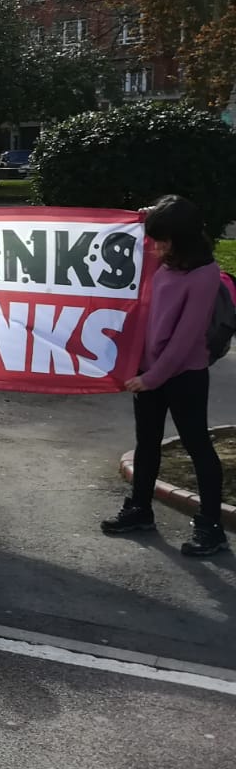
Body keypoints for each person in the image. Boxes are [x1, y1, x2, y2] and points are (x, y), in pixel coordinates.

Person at [101, 195, 228, 557]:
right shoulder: (163, 260)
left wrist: (153, 378)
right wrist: (145, 219)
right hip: (149, 371)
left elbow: (186, 337)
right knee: (147, 442)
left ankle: (211, 526)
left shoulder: (204, 274)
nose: (155, 247)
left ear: (182, 240)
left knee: (196, 445)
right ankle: (140, 509)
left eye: (163, 240)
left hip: (184, 375)